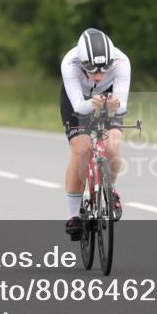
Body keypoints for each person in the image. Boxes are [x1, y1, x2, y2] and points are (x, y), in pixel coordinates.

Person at [60, 28, 130, 241]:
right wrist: (92, 103)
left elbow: (122, 104)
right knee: (82, 150)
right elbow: (80, 107)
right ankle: (74, 215)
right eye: (92, 69)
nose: (99, 75)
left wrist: (115, 105)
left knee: (113, 146)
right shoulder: (69, 63)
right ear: (81, 63)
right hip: (78, 100)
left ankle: (111, 191)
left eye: (104, 69)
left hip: (109, 97)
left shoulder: (121, 61)